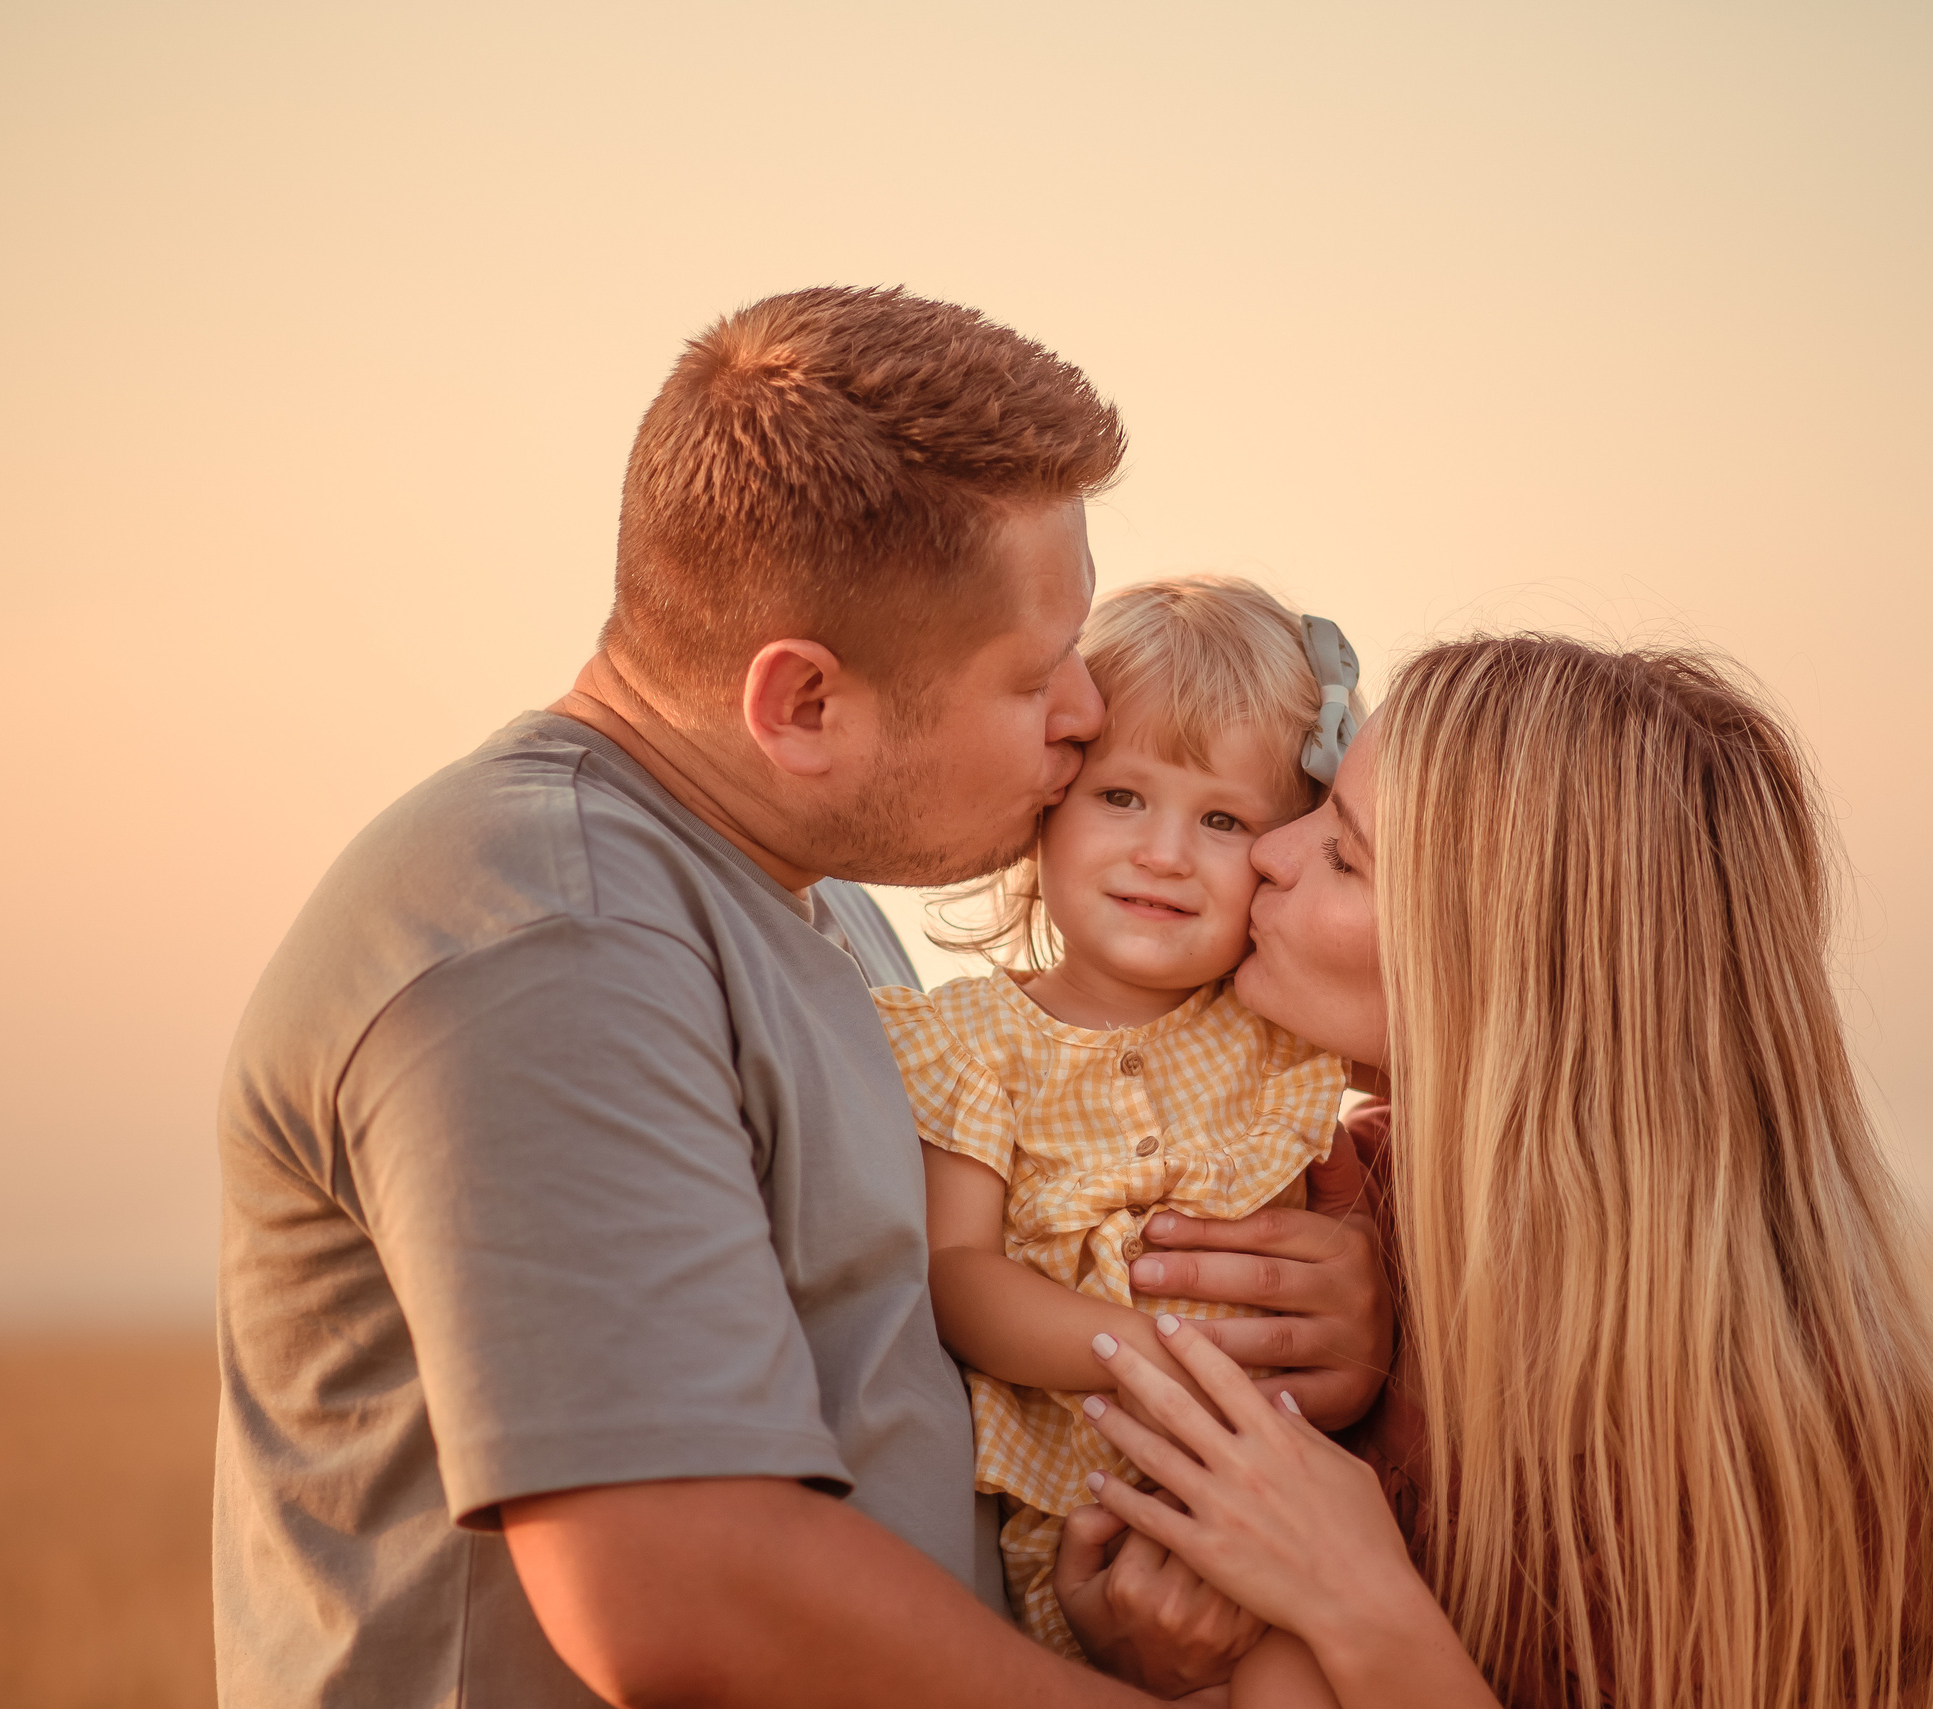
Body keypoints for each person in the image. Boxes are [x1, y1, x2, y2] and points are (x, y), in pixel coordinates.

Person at [211, 287, 1392, 1708]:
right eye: (1037, 675)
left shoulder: (809, 912)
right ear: (803, 706)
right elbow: (681, 1586)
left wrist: (1312, 1320)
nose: (1087, 713)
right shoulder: (549, 938)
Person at [1069, 635, 1933, 1708]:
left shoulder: (1796, 1440)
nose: (1265, 851)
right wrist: (1146, 1666)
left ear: (1498, 972)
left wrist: (1362, 1603)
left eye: (1344, 854)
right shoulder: (1319, 1200)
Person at [873, 577, 1359, 1666]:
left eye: (1223, 819)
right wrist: (1147, 1351)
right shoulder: (976, 1040)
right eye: (1123, 796)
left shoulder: (1279, 1036)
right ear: (1046, 807)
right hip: (1088, 1512)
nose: (1165, 852)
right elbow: (959, 1273)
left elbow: (1323, 1249)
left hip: (1292, 1492)